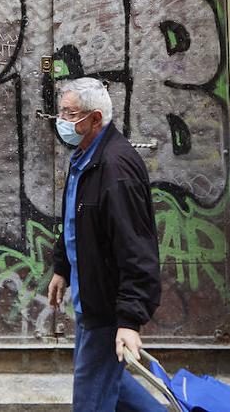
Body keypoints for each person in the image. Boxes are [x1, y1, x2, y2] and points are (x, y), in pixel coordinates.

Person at [47, 77, 165, 412]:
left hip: (107, 308)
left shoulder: (116, 169)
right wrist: (62, 267)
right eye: (61, 112)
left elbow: (137, 251)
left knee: (90, 400)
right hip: (90, 301)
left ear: (95, 119)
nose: (61, 121)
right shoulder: (85, 157)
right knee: (113, 385)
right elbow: (75, 221)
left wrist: (128, 321)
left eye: (70, 114)